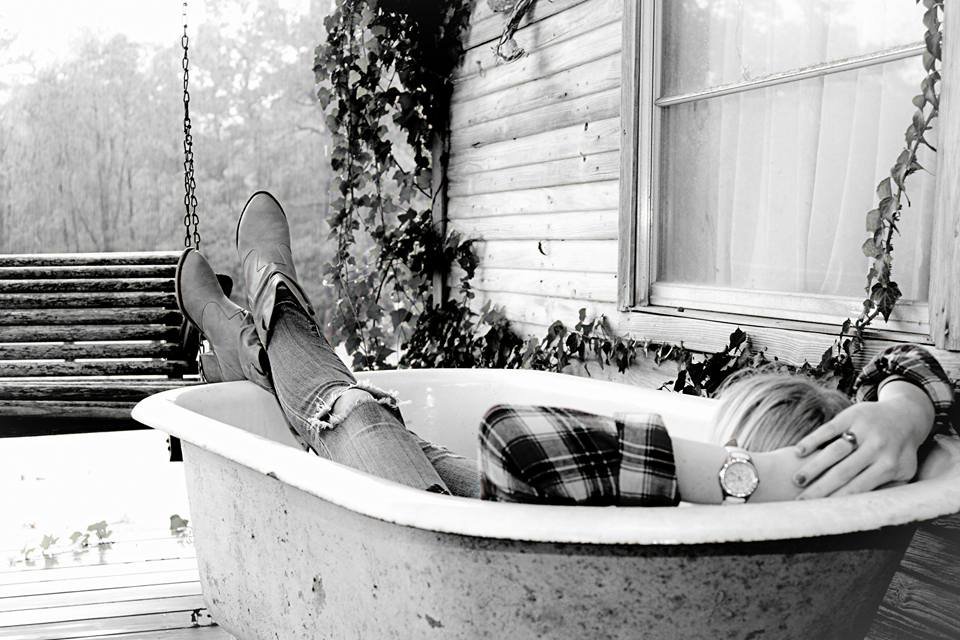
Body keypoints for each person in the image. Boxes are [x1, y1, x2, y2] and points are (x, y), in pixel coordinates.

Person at [176, 191, 956, 505]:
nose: (721, 459)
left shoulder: (683, 510)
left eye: (731, 452)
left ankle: (267, 308)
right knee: (397, 433)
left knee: (350, 410)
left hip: (452, 557)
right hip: (476, 510)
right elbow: (922, 373)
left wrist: (743, 480)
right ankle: (254, 336)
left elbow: (513, 435)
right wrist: (905, 410)